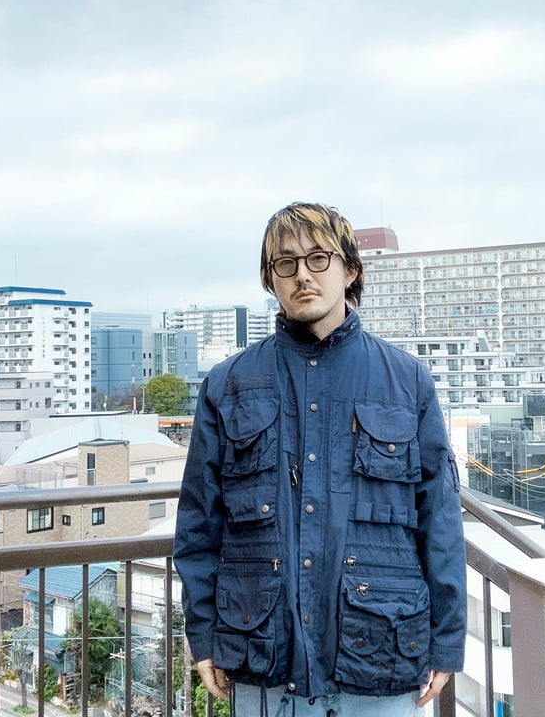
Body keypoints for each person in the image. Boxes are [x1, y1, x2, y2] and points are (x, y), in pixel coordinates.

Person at [174, 203, 466, 716]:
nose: (302, 275)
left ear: (349, 270)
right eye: (285, 263)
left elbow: (439, 517)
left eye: (318, 258)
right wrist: (202, 634)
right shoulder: (228, 384)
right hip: (262, 652)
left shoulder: (407, 381)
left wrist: (447, 641)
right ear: (270, 280)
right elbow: (200, 523)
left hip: (380, 652)